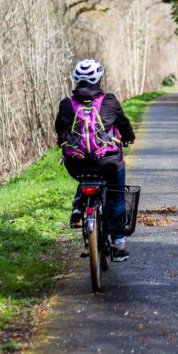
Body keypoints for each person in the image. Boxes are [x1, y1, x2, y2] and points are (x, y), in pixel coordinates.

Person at [55, 59, 135, 257]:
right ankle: (118, 244)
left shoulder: (66, 104)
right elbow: (123, 124)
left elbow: (60, 129)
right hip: (107, 162)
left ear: (76, 79)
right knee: (116, 197)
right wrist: (129, 137)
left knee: (85, 173)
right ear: (99, 79)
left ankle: (79, 204)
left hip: (77, 162)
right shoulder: (109, 101)